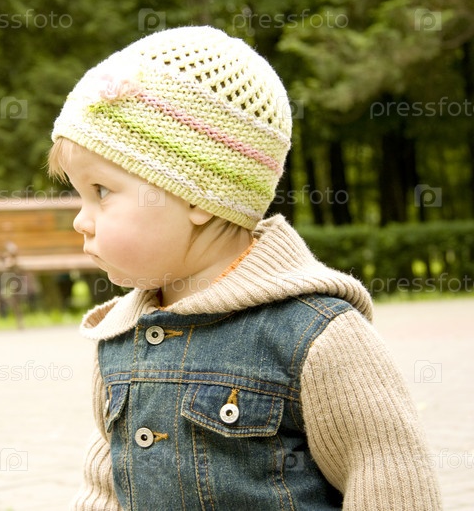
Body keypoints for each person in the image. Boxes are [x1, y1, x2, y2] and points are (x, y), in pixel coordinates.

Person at [48, 26, 441, 510]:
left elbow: (387, 470)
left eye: (101, 192)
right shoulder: (120, 336)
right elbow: (105, 482)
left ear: (197, 194)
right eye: (79, 195)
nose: (80, 219)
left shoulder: (315, 335)